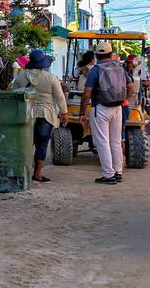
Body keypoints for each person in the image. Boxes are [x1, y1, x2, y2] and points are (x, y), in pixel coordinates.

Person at [11, 48, 68, 183]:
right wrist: (64, 113)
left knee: (25, 145)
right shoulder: (50, 77)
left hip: (26, 115)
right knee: (42, 145)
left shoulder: (21, 77)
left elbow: (14, 95)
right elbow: (60, 97)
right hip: (45, 115)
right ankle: (37, 174)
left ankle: (22, 172)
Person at [79, 41, 129, 184]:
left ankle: (108, 175)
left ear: (96, 55)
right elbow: (131, 88)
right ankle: (118, 172)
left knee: (102, 142)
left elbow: (87, 92)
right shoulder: (120, 68)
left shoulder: (95, 70)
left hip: (100, 108)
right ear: (110, 54)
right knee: (116, 141)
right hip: (118, 108)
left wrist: (82, 112)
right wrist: (122, 99)